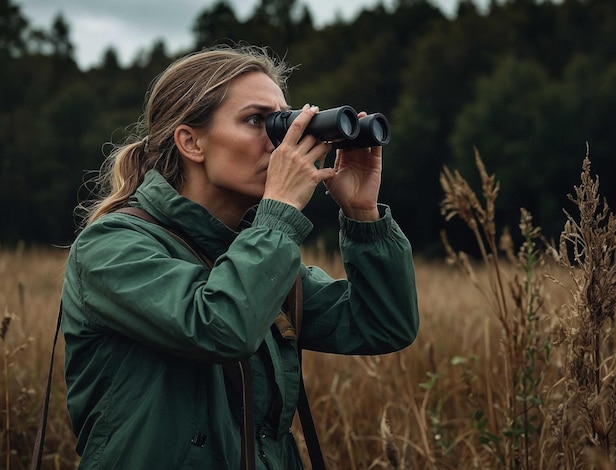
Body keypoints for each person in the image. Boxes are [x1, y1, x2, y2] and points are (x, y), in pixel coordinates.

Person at [61, 44, 419, 469]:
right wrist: (280, 212)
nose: (285, 140)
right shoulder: (111, 246)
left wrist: (363, 216)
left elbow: (382, 325)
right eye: (258, 121)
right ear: (191, 142)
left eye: (284, 121)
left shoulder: (251, 253)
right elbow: (219, 326)